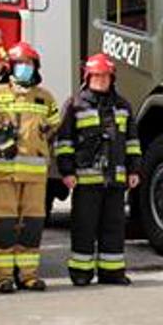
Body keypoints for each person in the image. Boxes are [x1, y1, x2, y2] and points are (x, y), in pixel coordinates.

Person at [0, 42, 61, 293]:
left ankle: (28, 275)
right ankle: (3, 276)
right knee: (3, 225)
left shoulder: (44, 97)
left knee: (32, 225)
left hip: (36, 175)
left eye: (29, 63)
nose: (24, 68)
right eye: (20, 63)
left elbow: (54, 127)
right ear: (11, 66)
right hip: (5, 172)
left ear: (35, 67)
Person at [56, 53, 143, 286]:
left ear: (112, 78)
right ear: (88, 77)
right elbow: (64, 142)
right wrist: (67, 172)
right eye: (96, 76)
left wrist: (134, 170)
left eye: (105, 76)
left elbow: (132, 142)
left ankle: (112, 272)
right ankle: (81, 272)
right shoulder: (75, 104)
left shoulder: (122, 106)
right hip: (85, 181)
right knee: (84, 226)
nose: (101, 80)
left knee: (114, 226)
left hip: (115, 179)